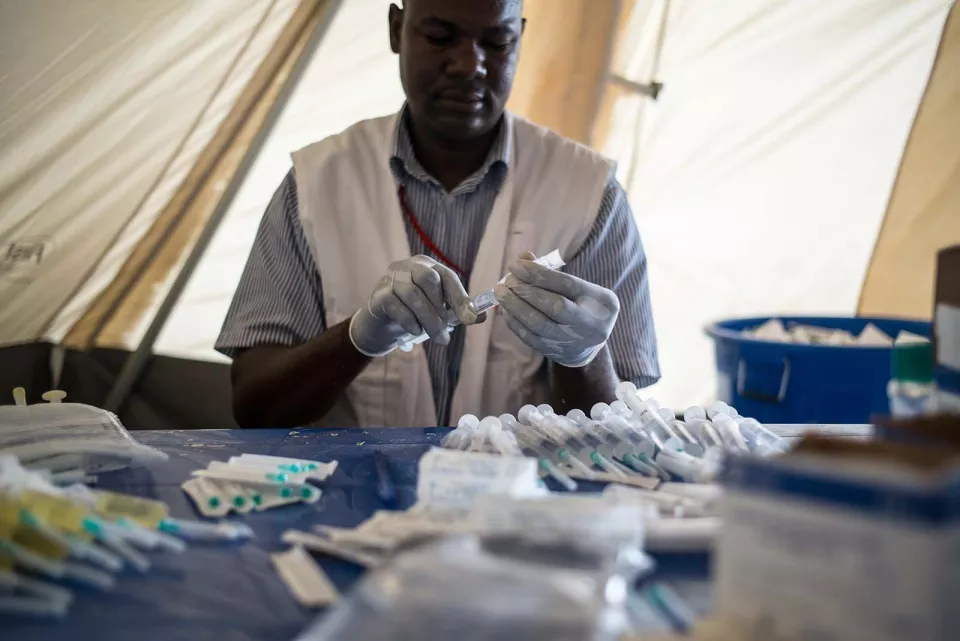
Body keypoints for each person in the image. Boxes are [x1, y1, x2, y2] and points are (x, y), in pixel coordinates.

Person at [216, 0, 659, 428]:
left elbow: (616, 432)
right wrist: (357, 338)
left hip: (521, 498)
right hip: (355, 498)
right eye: (440, 36)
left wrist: (581, 357)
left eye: (498, 42)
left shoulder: (588, 192)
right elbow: (255, 407)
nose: (470, 65)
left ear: (520, 38)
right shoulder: (317, 185)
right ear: (396, 29)